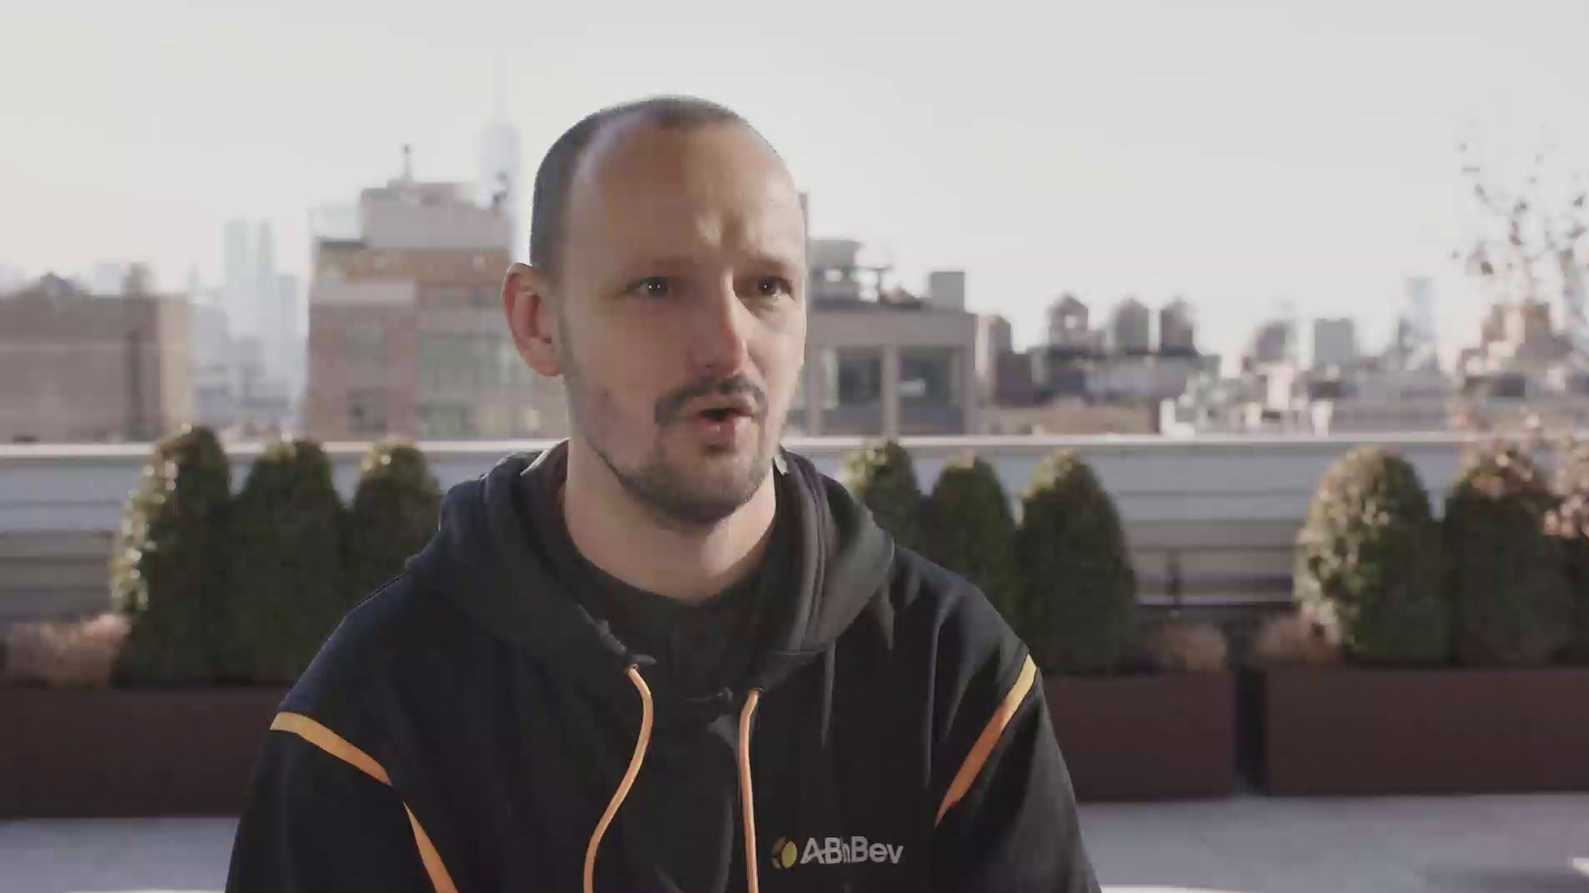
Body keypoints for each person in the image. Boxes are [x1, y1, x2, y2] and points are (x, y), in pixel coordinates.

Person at [226, 96, 1099, 893]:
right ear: (538, 321)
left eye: (766, 286)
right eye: (656, 287)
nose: (728, 342)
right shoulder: (374, 723)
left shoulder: (950, 673)